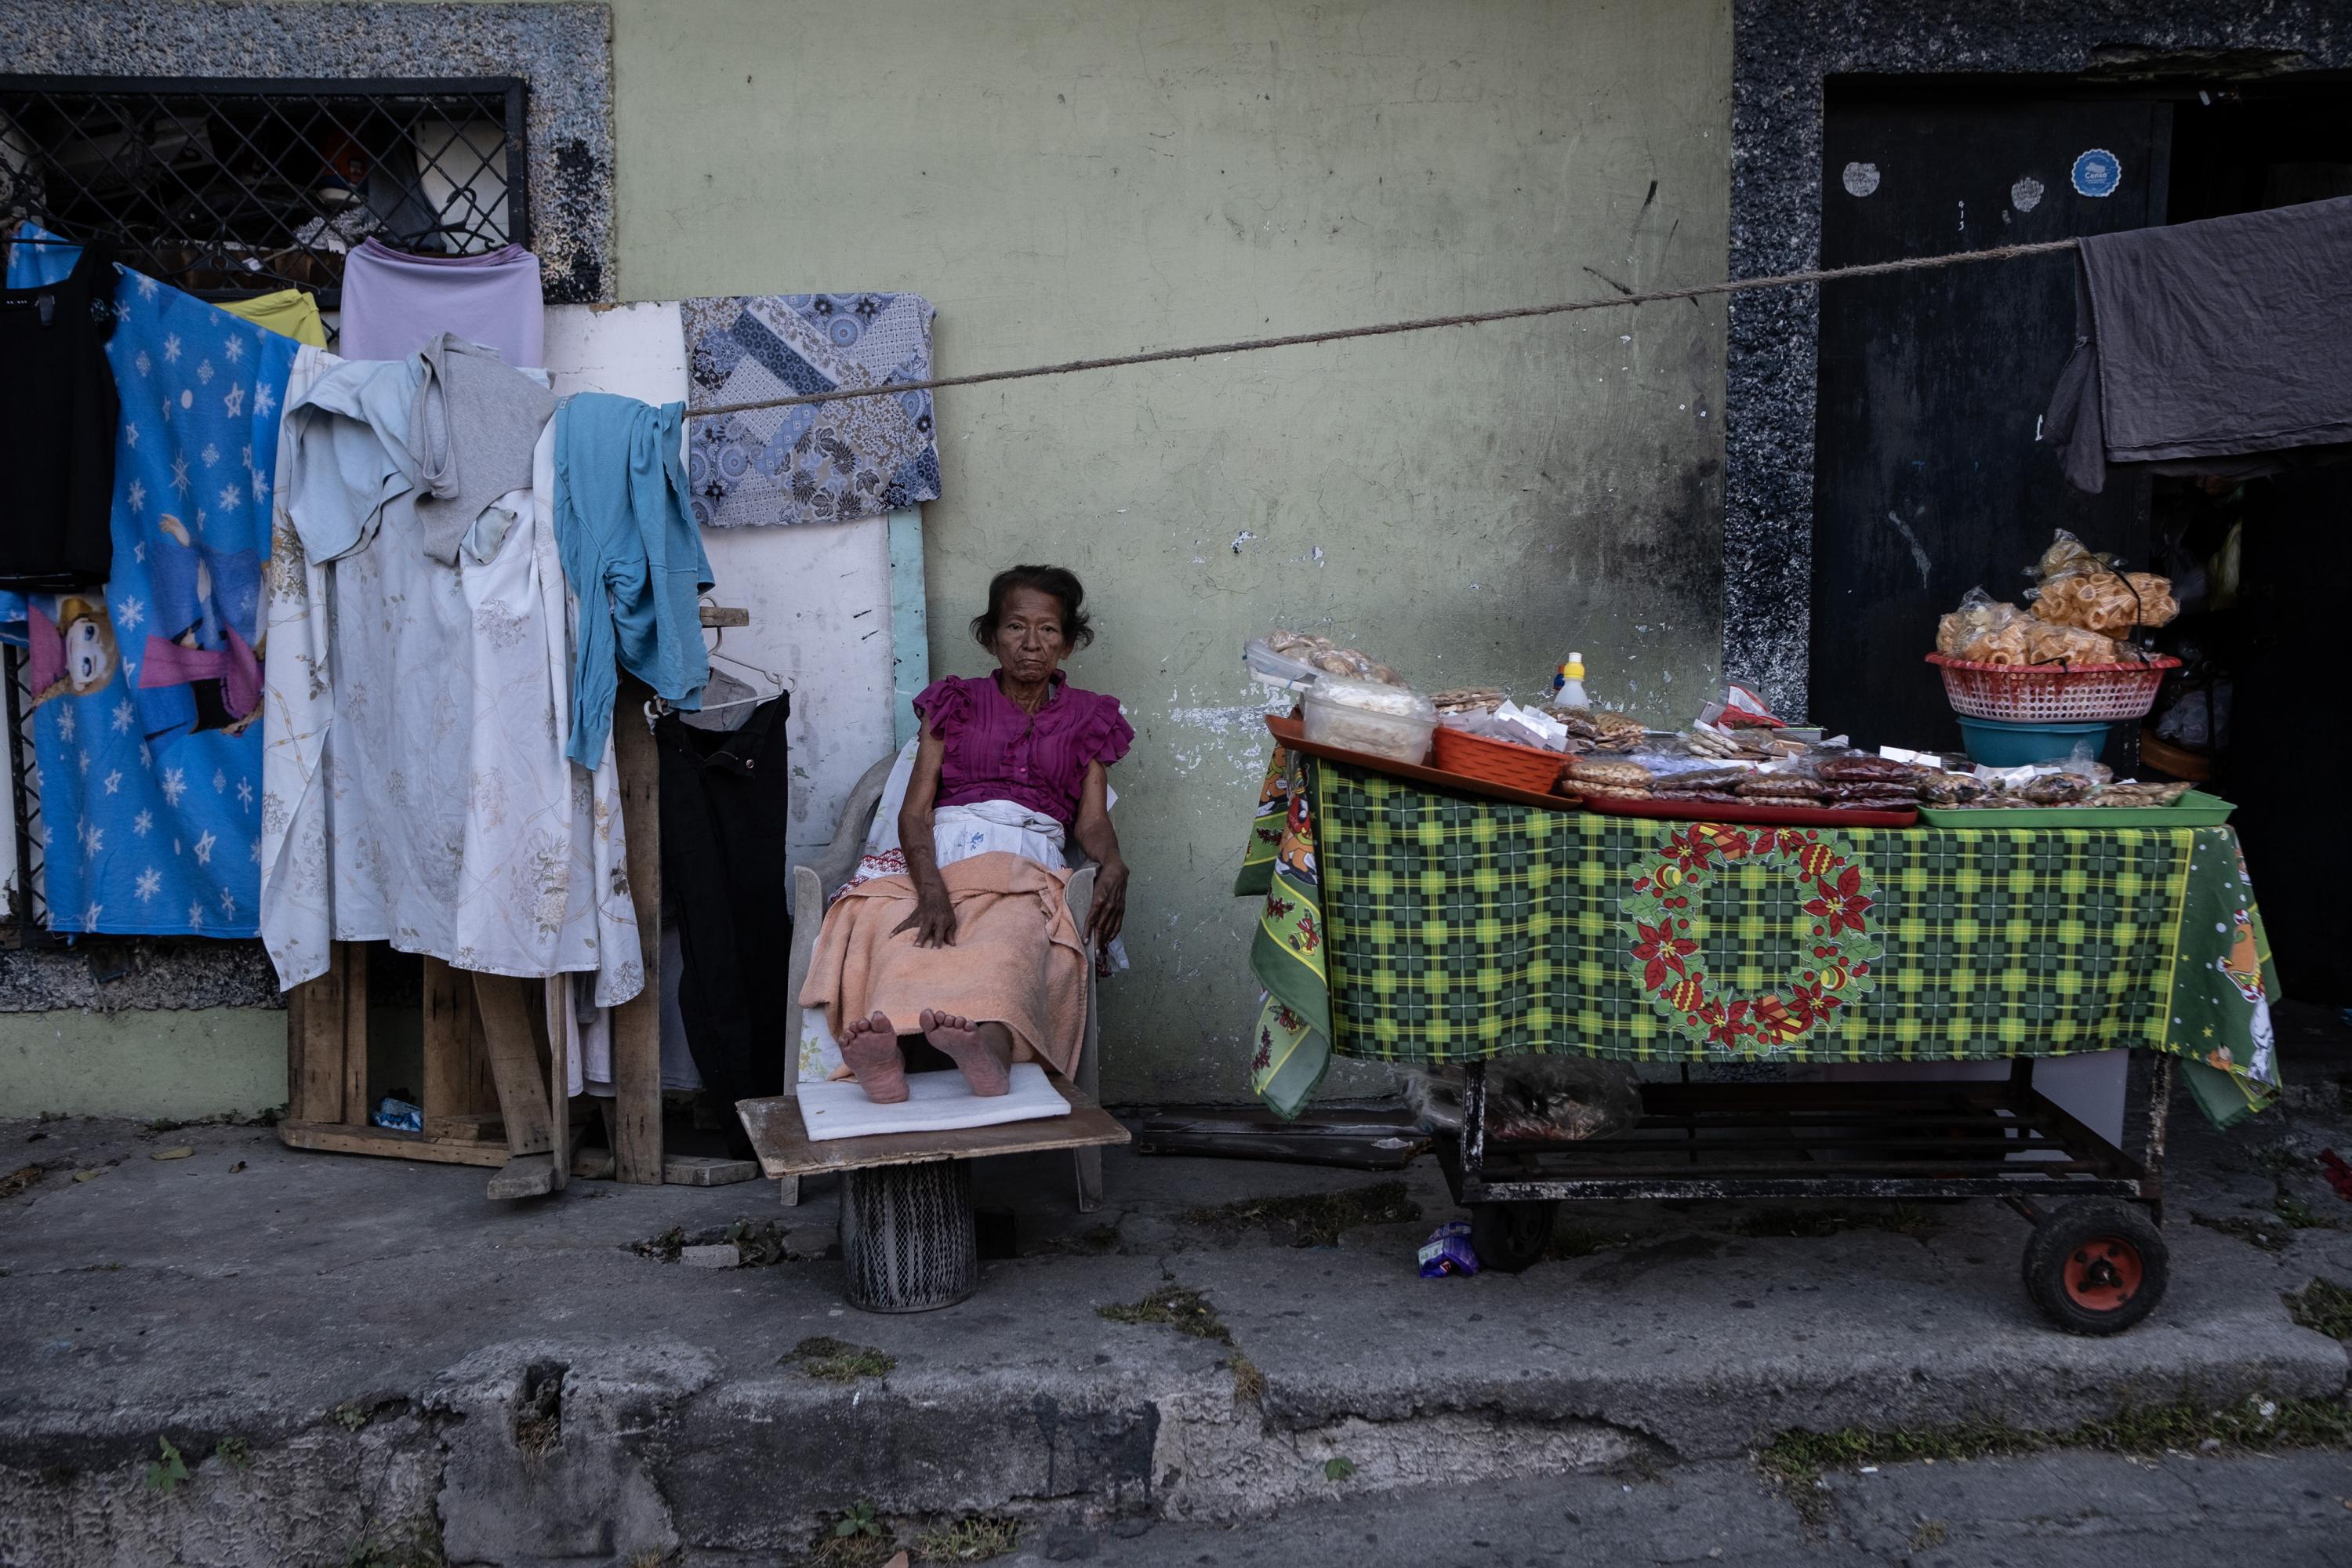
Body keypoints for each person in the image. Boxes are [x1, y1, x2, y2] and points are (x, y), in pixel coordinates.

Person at [800, 564, 1133, 1102]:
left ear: (1067, 645)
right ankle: (886, 1059)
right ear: (990, 636)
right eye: (1015, 627)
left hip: (1026, 859)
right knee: (889, 926)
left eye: (1048, 630)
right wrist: (932, 891)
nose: (1031, 644)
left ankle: (990, 1053)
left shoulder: (1090, 717)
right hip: (939, 855)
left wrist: (1114, 863)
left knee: (1013, 937)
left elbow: (1091, 821)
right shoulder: (953, 702)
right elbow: (914, 812)